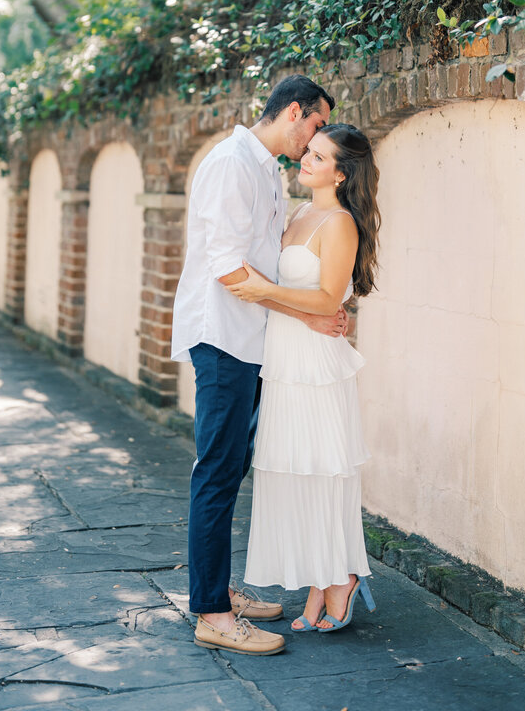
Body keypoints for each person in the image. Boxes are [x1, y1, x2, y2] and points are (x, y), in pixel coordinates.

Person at [171, 75, 349, 657]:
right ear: (294, 111)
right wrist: (306, 315)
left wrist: (302, 317)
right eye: (318, 125)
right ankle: (214, 615)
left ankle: (216, 588)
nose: (317, 137)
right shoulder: (231, 163)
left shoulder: (265, 167)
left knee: (230, 466)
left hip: (250, 341)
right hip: (222, 337)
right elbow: (229, 270)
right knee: (218, 470)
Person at [227, 123, 380, 633]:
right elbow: (285, 295)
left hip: (315, 363)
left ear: (341, 174)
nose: (305, 160)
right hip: (285, 359)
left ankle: (339, 578)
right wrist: (261, 292)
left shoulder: (338, 222)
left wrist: (260, 290)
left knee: (322, 472)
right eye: (308, 152)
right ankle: (322, 577)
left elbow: (327, 300)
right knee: (293, 473)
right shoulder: (298, 214)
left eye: (318, 157)